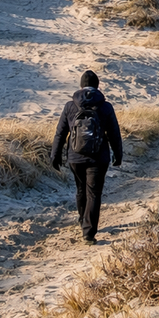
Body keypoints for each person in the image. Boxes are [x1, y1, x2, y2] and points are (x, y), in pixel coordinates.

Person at [50, 69, 123, 245]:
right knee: (94, 193)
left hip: (75, 156)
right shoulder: (105, 106)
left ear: (81, 86)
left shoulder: (70, 106)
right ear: (97, 86)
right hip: (99, 157)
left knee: (81, 190)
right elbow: (114, 133)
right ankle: (88, 233)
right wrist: (118, 154)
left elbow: (60, 133)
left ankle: (83, 220)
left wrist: (55, 155)